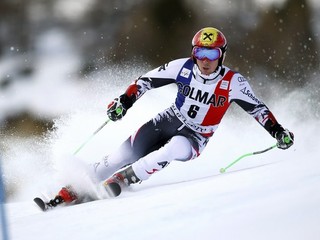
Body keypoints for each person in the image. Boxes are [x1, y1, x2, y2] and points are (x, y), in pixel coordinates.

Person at [59, 27, 294, 203]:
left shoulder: (234, 82)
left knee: (171, 149)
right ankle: (75, 186)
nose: (205, 60)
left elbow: (258, 109)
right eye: (200, 52)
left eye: (212, 55)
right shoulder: (182, 67)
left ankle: (124, 178)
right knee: (123, 154)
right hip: (168, 119)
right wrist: (124, 101)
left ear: (221, 56)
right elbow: (144, 82)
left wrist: (278, 132)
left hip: (196, 137)